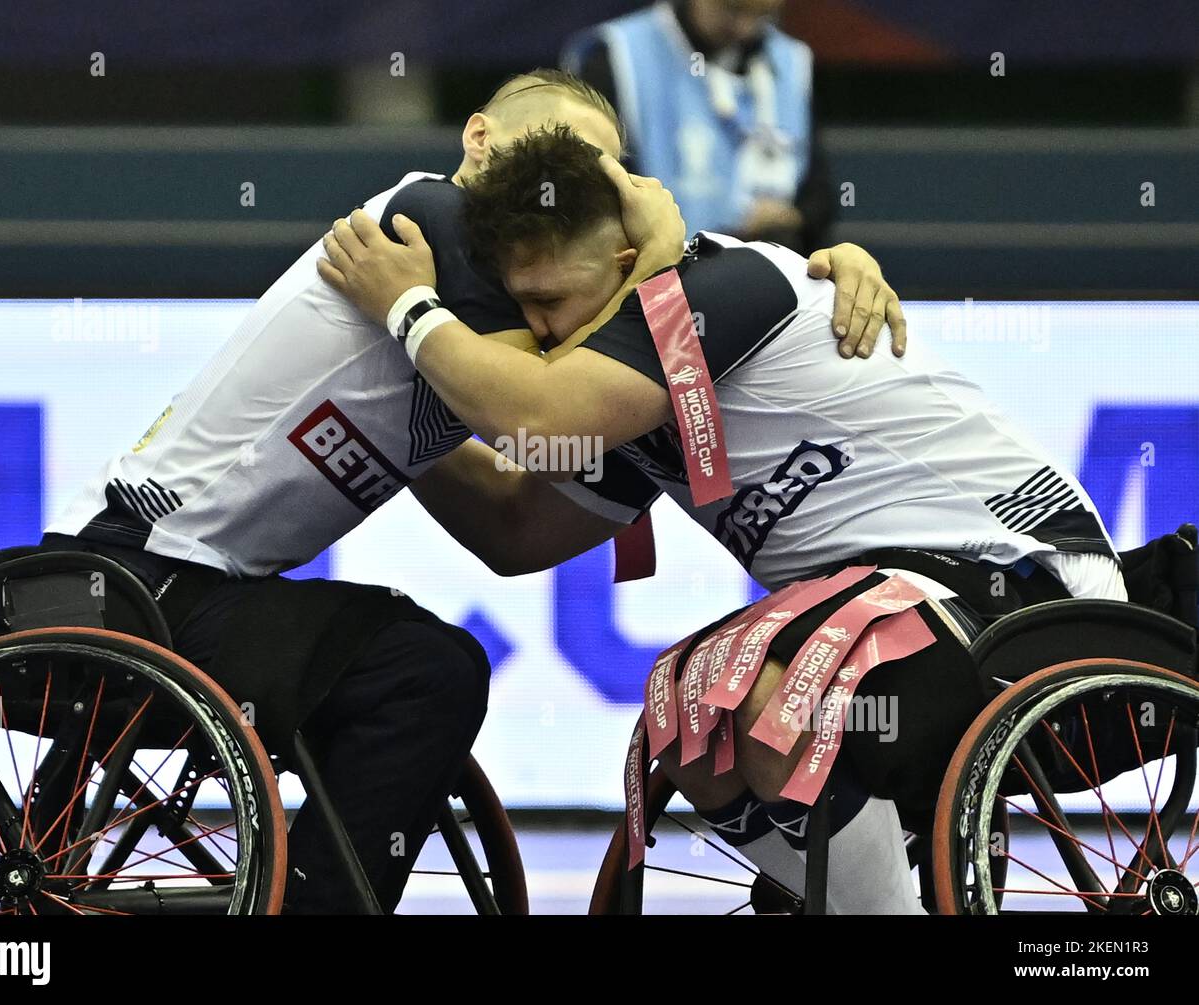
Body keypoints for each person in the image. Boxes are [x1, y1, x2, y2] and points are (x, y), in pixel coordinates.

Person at [41, 70, 903, 913]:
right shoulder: (435, 219)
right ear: (480, 139)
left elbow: (512, 519)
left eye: (600, 174)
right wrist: (667, 261)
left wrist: (806, 268)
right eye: (558, 154)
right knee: (426, 671)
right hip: (129, 577)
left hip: (183, 582)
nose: (568, 189)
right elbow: (549, 413)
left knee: (414, 666)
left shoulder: (499, 324)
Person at [317, 126, 1129, 913]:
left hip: (1025, 588)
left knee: (763, 700)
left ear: (625, 265)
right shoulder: (624, 391)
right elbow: (513, 528)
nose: (536, 334)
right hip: (902, 607)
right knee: (692, 716)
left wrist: (409, 314)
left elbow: (530, 417)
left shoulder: (722, 291)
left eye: (549, 302)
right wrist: (395, 433)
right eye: (519, 306)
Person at [563, 0, 832, 252]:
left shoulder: (790, 60)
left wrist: (791, 218)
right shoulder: (616, 57)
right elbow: (595, 192)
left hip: (767, 273)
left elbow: (819, 196)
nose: (744, 29)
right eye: (732, 10)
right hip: (648, 276)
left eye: (761, 15)